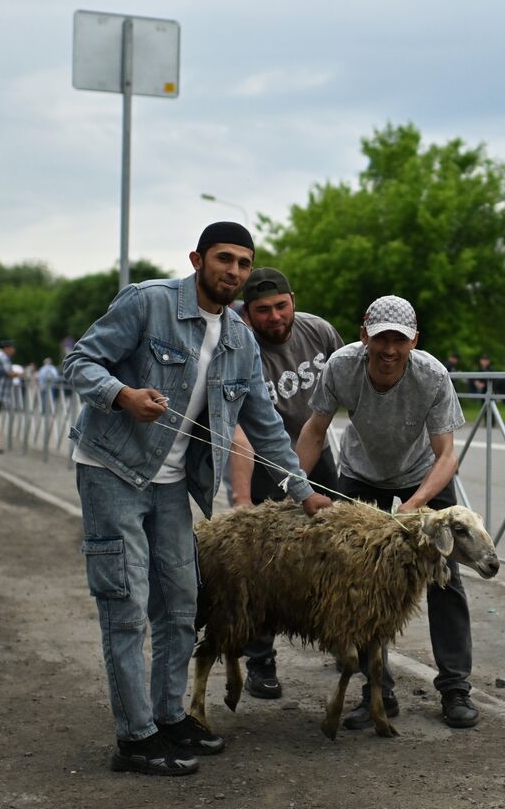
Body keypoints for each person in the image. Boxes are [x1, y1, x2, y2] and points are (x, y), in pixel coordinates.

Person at [61, 222, 333, 777]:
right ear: (198, 259)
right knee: (128, 605)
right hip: (112, 470)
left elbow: (267, 426)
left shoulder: (239, 338)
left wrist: (305, 494)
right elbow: (80, 363)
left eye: (243, 263)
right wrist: (122, 395)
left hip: (171, 486)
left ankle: (169, 717)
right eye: (224, 259)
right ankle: (135, 738)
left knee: (182, 605)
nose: (233, 271)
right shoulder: (148, 303)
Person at [296, 294, 476, 729]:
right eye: (381, 340)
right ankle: (377, 690)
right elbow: (315, 429)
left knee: (444, 576)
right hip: (362, 471)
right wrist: (296, 488)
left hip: (423, 475)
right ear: (364, 336)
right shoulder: (341, 366)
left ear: (414, 341)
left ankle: (455, 689)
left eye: (399, 340)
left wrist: (415, 508)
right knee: (358, 583)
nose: (389, 350)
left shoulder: (432, 375)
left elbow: (447, 455)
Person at [225, 266, 344, 700]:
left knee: (337, 548)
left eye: (281, 306)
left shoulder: (320, 332)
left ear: (293, 299)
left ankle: (342, 642)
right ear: (247, 312)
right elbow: (236, 429)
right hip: (259, 459)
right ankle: (260, 661)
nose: (274, 317)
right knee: (263, 565)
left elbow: (347, 390)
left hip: (318, 452)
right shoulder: (236, 345)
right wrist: (241, 498)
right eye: (263, 310)